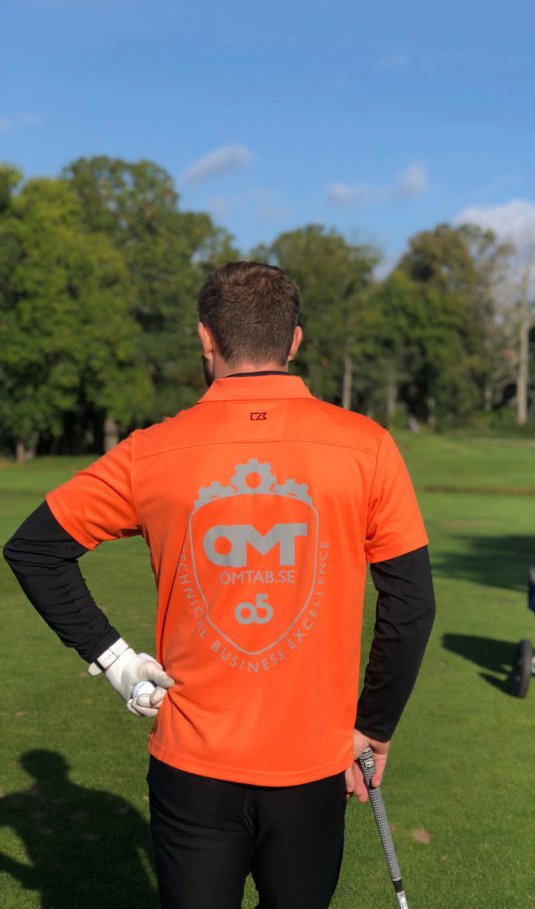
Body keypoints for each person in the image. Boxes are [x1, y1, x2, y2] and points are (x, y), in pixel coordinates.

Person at [4, 261, 435, 909]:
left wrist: (116, 663)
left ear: (206, 340)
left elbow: (34, 549)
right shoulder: (367, 447)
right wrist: (372, 730)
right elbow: (411, 606)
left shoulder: (151, 451)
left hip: (192, 769)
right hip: (313, 766)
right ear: (294, 342)